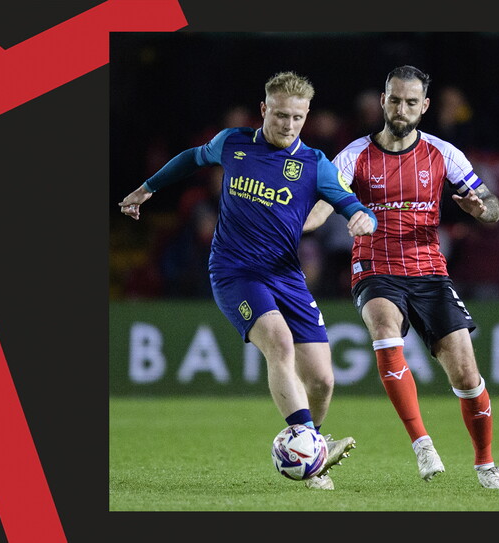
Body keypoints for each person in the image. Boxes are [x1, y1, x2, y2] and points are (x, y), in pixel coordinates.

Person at [118, 71, 378, 490]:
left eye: (296, 117)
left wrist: (362, 217)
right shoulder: (234, 143)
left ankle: (310, 450)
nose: (288, 125)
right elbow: (191, 158)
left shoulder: (314, 164)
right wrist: (147, 189)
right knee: (278, 342)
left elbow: (351, 205)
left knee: (322, 381)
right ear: (264, 109)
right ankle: (308, 452)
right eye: (279, 115)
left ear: (306, 115)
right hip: (235, 271)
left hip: (285, 275)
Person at [304, 65, 499, 489]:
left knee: (466, 376)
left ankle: (485, 463)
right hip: (375, 266)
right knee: (383, 326)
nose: (401, 109)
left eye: (411, 102)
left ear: (424, 106)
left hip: (429, 270)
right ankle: (422, 444)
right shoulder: (354, 155)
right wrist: (296, 224)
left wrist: (481, 210)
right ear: (383, 101)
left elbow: (491, 206)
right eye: (395, 100)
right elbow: (324, 204)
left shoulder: (442, 153)